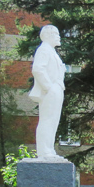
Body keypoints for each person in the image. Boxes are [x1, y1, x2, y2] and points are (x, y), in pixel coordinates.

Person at [30, 25, 66, 160]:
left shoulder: (51, 51)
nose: (59, 37)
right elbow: (38, 69)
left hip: (56, 88)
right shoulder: (44, 49)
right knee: (47, 120)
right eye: (56, 34)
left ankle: (49, 149)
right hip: (50, 89)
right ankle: (44, 151)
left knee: (53, 120)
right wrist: (49, 87)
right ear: (48, 36)